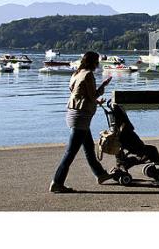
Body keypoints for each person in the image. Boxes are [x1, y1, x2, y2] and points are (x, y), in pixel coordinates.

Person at [49, 51, 114, 193]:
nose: (98, 63)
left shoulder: (76, 73)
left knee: (89, 147)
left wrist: (95, 100)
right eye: (97, 60)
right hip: (81, 117)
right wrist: (103, 86)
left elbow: (78, 94)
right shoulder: (88, 75)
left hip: (73, 113)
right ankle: (57, 182)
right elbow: (92, 96)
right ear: (93, 62)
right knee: (70, 152)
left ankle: (100, 174)